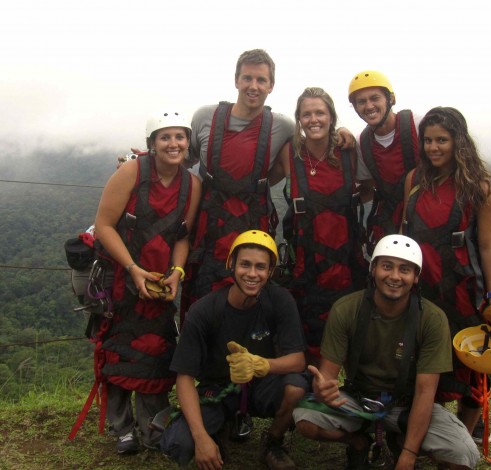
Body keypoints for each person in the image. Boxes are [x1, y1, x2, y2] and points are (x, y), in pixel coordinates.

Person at [181, 49, 355, 315]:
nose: (254, 86)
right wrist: (143, 162)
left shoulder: (282, 126)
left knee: (251, 296)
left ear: (271, 85)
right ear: (236, 80)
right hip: (208, 225)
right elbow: (184, 158)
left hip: (254, 221)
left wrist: (342, 132)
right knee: (203, 298)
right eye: (247, 78)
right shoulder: (205, 117)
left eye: (261, 80)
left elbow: (311, 143)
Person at [293, 235, 480, 470]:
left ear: (416, 277)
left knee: (464, 455)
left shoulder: (431, 319)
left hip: (409, 405)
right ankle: (359, 442)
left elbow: (425, 392)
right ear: (373, 270)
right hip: (359, 401)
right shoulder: (347, 309)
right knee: (305, 418)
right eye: (387, 266)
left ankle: (402, 441)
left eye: (405, 269)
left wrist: (409, 456)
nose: (394, 276)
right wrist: (322, 391)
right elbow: (328, 377)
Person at [402, 106, 491, 441]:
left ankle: (465, 440)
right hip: (421, 289)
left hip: (464, 290)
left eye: (442, 140)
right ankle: (425, 433)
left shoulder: (478, 187)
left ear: (458, 142)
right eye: (427, 140)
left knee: (472, 364)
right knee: (420, 360)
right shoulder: (414, 180)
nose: (433, 147)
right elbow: (404, 232)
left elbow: (487, 247)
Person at [92, 111, 201, 453]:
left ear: (188, 143)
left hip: (158, 280)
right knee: (119, 349)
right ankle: (122, 428)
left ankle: (152, 428)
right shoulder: (132, 172)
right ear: (152, 144)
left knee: (155, 350)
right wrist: (132, 269)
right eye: (164, 137)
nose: (173, 144)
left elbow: (183, 235)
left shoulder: (192, 185)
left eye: (179, 137)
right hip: (122, 277)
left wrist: (178, 273)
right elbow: (105, 224)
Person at [160, 230, 308, 470]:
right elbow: (184, 377)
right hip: (219, 389)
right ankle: (218, 431)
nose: (252, 274)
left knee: (295, 387)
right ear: (231, 265)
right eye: (245, 265)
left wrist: (261, 364)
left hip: (262, 384)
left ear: (270, 271)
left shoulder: (280, 300)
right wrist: (200, 438)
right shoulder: (204, 311)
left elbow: (298, 360)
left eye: (261, 267)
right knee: (179, 444)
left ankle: (273, 442)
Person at [282, 87, 367, 364]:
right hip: (307, 271)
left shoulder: (348, 151)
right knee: (310, 351)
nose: (313, 119)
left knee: (355, 345)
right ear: (298, 119)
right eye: (306, 114)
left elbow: (372, 188)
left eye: (320, 112)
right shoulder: (289, 154)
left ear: (331, 116)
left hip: (348, 267)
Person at [348, 70, 420, 255]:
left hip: (425, 213)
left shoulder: (418, 126)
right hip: (389, 217)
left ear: (391, 99)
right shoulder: (362, 144)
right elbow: (369, 188)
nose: (369, 106)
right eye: (361, 102)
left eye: (375, 98)